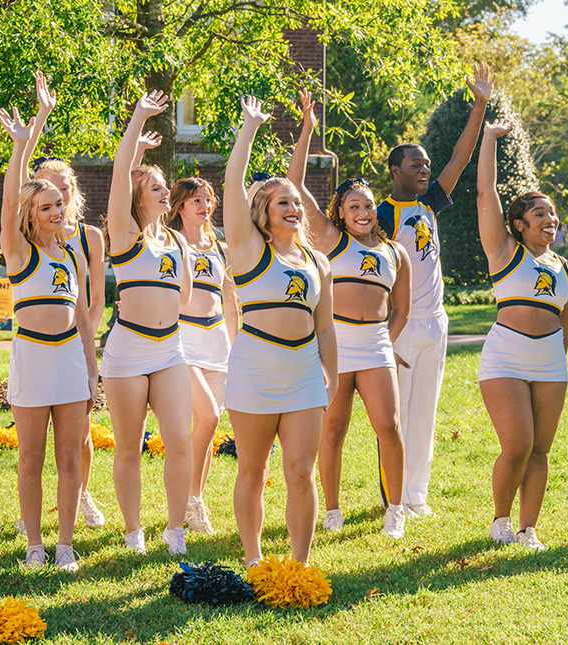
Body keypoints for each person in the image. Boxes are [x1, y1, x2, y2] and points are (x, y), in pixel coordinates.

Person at [288, 91, 412, 538]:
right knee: (333, 428)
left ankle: (394, 510)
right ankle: (333, 511)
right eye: (353, 206)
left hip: (376, 342)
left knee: (390, 427)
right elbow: (295, 181)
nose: (363, 211)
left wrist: (387, 340)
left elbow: (401, 308)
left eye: (368, 205)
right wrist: (307, 128)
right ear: (340, 212)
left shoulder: (394, 251)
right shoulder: (329, 239)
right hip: (335, 344)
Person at [378, 63, 494, 518]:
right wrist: (386, 336)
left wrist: (480, 101)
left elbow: (460, 159)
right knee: (397, 417)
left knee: (424, 413)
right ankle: (393, 498)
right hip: (402, 325)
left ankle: (416, 495)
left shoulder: (429, 203)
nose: (425, 169)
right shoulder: (381, 215)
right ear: (395, 170)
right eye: (415, 164)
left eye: (427, 163)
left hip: (437, 322)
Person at [225, 95, 336, 566]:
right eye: (281, 202)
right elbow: (232, 183)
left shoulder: (318, 260)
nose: (292, 207)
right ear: (262, 212)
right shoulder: (248, 249)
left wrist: (329, 373)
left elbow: (325, 326)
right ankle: (253, 560)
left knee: (300, 471)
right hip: (254, 371)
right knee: (253, 469)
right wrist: (248, 128)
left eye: (295, 201)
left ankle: (299, 563)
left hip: (305, 374)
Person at [0, 104, 99, 571]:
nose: (57, 211)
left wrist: (92, 371)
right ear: (31, 214)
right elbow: (6, 205)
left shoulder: (73, 255)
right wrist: (22, 143)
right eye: (46, 207)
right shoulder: (20, 253)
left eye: (60, 203)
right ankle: (34, 544)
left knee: (71, 461)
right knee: (31, 460)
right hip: (33, 358)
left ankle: (64, 546)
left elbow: (82, 320)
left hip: (70, 362)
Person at [476, 120, 568, 550]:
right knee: (517, 444)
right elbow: (486, 194)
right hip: (505, 356)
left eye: (553, 213)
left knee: (541, 449)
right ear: (519, 223)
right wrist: (489, 141)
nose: (550, 218)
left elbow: (566, 324)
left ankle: (528, 528)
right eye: (540, 213)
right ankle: (500, 520)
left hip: (550, 361)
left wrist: (555, 358)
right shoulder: (503, 251)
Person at [101, 90, 195, 556]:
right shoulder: (125, 234)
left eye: (165, 186)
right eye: (156, 186)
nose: (165, 191)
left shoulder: (178, 241)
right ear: (139, 196)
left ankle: (174, 529)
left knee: (181, 438)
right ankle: (133, 530)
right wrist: (138, 117)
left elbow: (185, 296)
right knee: (129, 446)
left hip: (170, 349)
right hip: (127, 351)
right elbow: (120, 171)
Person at [24, 72, 109, 529]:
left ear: (71, 191)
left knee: (81, 436)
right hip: (40, 346)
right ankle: (39, 514)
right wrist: (38, 119)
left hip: (79, 338)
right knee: (38, 444)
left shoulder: (88, 237)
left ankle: (81, 493)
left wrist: (87, 342)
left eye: (63, 187)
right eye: (46, 187)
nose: (56, 195)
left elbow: (92, 298)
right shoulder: (28, 237)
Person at [163, 174, 237, 534]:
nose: (205, 206)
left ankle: (195, 503)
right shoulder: (171, 243)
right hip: (183, 340)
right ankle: (190, 500)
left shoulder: (219, 246)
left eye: (208, 199)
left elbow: (230, 301)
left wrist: (238, 349)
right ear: (180, 207)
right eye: (196, 200)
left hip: (218, 340)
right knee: (207, 418)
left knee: (209, 428)